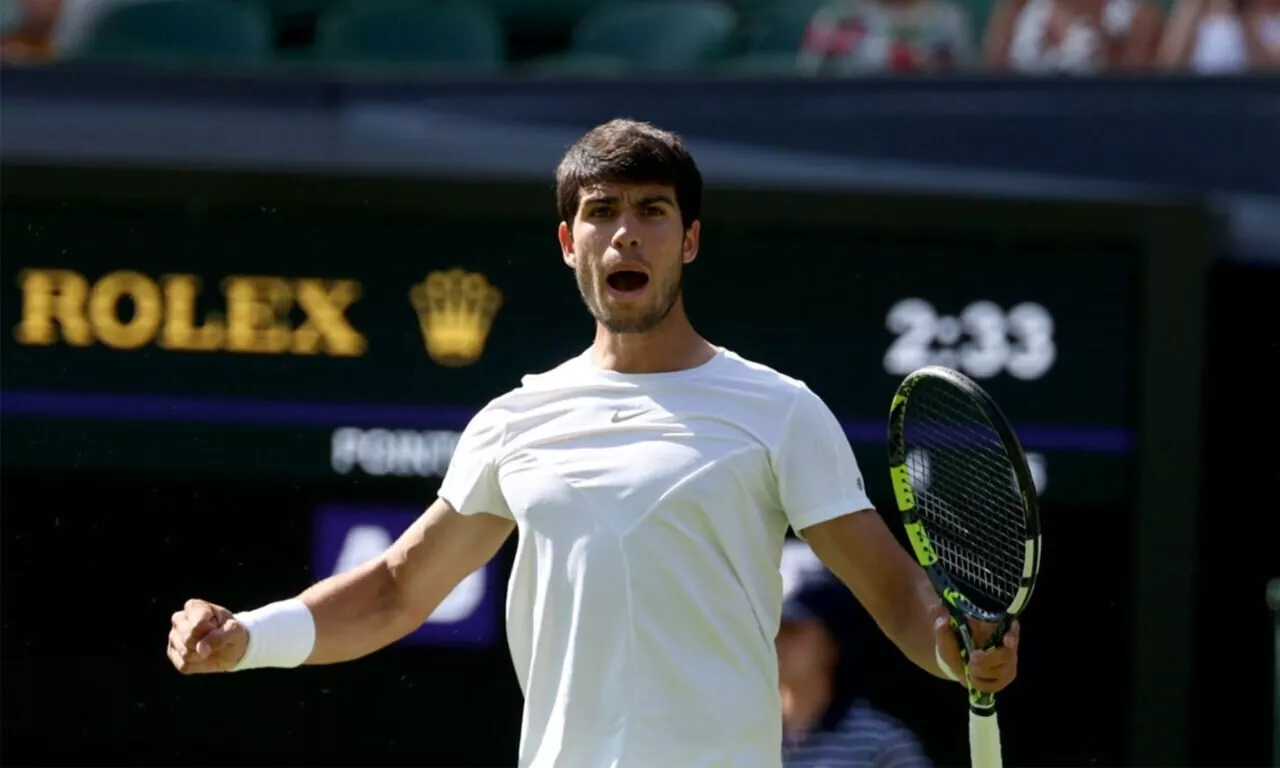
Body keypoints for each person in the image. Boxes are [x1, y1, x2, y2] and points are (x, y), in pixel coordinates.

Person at [166, 118, 1020, 768]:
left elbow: (894, 591)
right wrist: (250, 635)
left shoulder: (781, 411)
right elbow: (395, 590)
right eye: (602, 212)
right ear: (570, 243)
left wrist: (957, 651)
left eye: (653, 212)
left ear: (687, 241)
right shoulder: (514, 420)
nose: (626, 233)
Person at [778, 549, 931, 767]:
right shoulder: (733, 733)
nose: (776, 640)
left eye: (791, 628)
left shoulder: (883, 747)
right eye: (770, 627)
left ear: (833, 641)